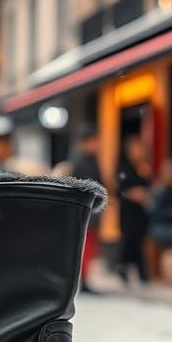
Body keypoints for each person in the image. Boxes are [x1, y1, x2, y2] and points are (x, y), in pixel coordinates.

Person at [71, 126, 104, 293]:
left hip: (91, 211)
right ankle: (83, 280)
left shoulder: (90, 160)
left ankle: (85, 280)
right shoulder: (81, 163)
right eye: (93, 141)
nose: (96, 144)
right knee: (86, 245)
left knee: (89, 246)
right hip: (86, 211)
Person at [116, 136, 151, 285]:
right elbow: (120, 189)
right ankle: (123, 268)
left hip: (141, 210)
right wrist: (133, 194)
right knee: (129, 240)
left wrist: (145, 195)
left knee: (140, 240)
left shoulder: (144, 167)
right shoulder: (123, 167)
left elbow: (149, 186)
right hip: (128, 210)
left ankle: (142, 273)